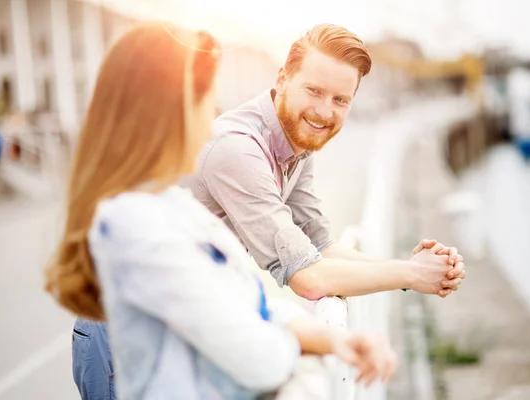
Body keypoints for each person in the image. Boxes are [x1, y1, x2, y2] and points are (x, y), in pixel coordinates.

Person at [45, 24, 397, 400]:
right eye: (203, 100)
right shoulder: (137, 226)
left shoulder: (178, 210)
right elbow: (252, 352)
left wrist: (331, 339)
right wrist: (307, 363)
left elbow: (247, 308)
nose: (214, 115)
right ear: (165, 115)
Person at [189, 23, 466, 300]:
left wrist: (412, 269)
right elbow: (307, 277)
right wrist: (414, 275)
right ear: (282, 79)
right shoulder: (238, 149)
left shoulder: (296, 141)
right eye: (314, 91)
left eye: (340, 100)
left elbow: (319, 246)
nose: (324, 112)